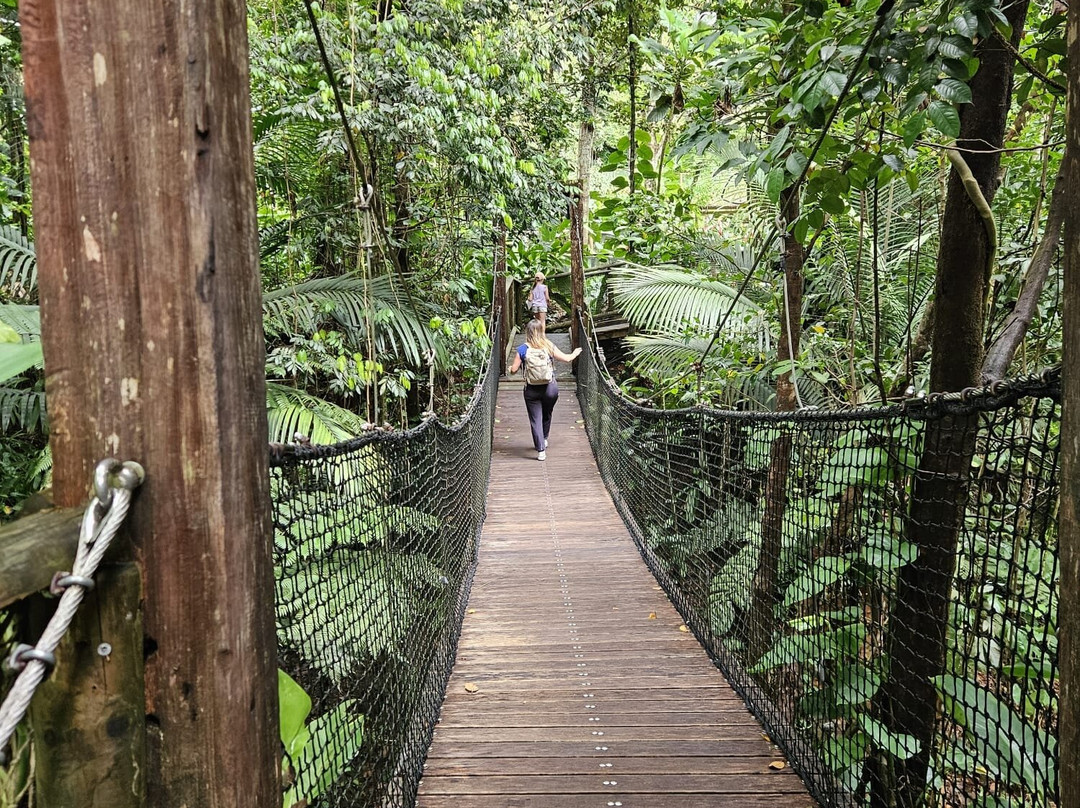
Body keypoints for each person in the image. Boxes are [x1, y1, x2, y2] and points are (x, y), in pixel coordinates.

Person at [508, 320, 581, 461]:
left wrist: (510, 369)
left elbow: (514, 370)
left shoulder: (522, 349)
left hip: (531, 390)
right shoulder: (548, 346)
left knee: (535, 419)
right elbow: (567, 359)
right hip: (550, 388)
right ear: (542, 331)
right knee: (547, 413)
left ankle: (541, 450)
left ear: (527, 332)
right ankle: (545, 437)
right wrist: (575, 353)